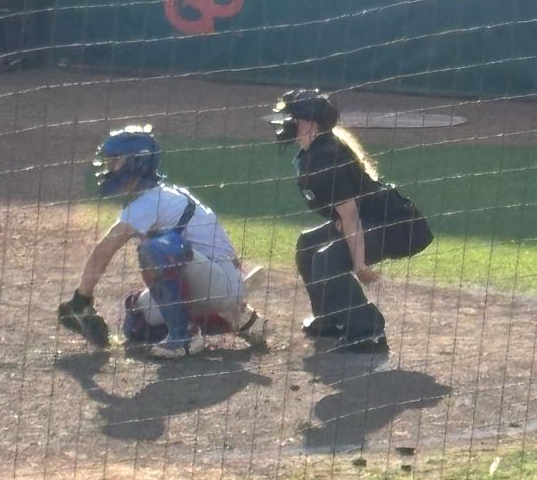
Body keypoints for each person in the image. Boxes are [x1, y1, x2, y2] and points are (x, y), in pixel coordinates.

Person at [58, 125, 266, 359]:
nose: (109, 168)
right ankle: (235, 317)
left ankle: (185, 336)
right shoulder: (155, 196)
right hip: (210, 278)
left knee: (155, 249)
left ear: (136, 163)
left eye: (115, 161)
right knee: (137, 323)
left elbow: (106, 248)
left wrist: (81, 299)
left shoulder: (151, 201)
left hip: (219, 280)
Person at [271, 89, 433, 353]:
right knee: (308, 245)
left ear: (310, 124)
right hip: (373, 219)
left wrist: (360, 264)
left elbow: (350, 214)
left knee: (327, 259)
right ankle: (330, 318)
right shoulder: (316, 149)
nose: (287, 122)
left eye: (292, 117)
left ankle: (368, 332)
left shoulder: (324, 157)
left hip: (398, 227)